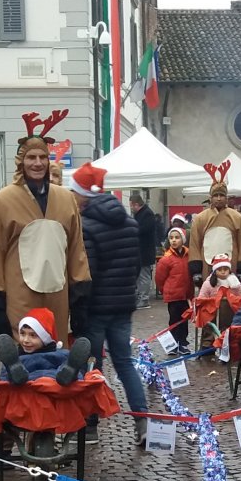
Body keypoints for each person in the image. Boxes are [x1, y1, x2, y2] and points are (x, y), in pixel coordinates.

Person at [0, 109, 90, 341]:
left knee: (56, 352)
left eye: (42, 157)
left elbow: (77, 250)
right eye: (31, 157)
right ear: (21, 161)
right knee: (23, 354)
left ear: (49, 161)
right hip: (20, 294)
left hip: (58, 295)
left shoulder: (66, 199)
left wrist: (79, 299)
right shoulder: (3, 201)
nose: (37, 163)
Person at [68, 162, 149, 440]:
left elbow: (87, 273)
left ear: (83, 195)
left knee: (93, 365)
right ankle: (142, 421)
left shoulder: (86, 226)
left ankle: (90, 425)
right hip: (123, 305)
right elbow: (135, 265)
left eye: (74, 192)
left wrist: (79, 308)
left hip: (96, 308)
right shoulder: (128, 222)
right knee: (125, 363)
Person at [188, 165, 241, 289]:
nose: (218, 198)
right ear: (210, 198)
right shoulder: (201, 219)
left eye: (221, 195)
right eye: (215, 195)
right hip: (207, 266)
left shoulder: (237, 217)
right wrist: (196, 270)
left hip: (231, 266)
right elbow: (195, 245)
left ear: (227, 198)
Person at [0, 307, 89, 387]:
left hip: (56, 382)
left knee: (67, 368)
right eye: (22, 334)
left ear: (45, 338)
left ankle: (69, 373)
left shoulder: (62, 355)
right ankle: (16, 376)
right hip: (26, 384)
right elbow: (2, 385)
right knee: (12, 371)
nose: (26, 340)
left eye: (33, 335)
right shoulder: (14, 358)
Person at [155, 226, 193, 346]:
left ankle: (183, 341)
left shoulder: (189, 256)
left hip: (185, 295)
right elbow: (159, 278)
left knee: (184, 319)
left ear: (183, 240)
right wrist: (165, 290)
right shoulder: (166, 259)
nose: (174, 240)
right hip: (173, 295)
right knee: (174, 320)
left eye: (177, 238)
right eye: (171, 238)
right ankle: (173, 342)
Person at [130, 191, 161, 307]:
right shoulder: (142, 214)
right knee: (141, 274)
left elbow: (142, 230)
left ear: (136, 204)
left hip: (145, 250)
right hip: (141, 250)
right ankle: (141, 297)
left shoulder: (146, 214)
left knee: (144, 275)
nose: (131, 208)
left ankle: (144, 298)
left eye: (132, 205)